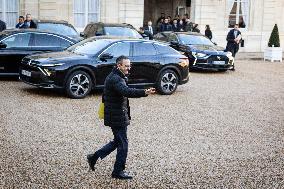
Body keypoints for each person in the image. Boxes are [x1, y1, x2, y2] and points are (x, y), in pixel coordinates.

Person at [87, 56, 155, 180]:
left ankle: (94, 157)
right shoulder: (116, 79)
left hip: (117, 114)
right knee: (123, 144)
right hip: (116, 116)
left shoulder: (116, 76)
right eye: (126, 65)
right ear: (119, 66)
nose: (129, 68)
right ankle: (117, 172)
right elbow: (126, 91)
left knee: (118, 141)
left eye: (129, 65)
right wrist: (144, 92)